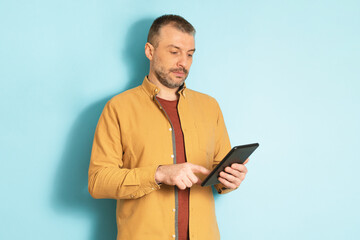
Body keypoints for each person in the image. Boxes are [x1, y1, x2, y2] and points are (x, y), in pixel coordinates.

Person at [88, 14, 248, 240]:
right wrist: (158, 174)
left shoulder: (210, 107)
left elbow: (218, 172)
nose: (183, 62)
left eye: (190, 54)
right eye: (174, 52)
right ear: (150, 51)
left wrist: (230, 180)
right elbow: (98, 181)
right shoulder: (118, 108)